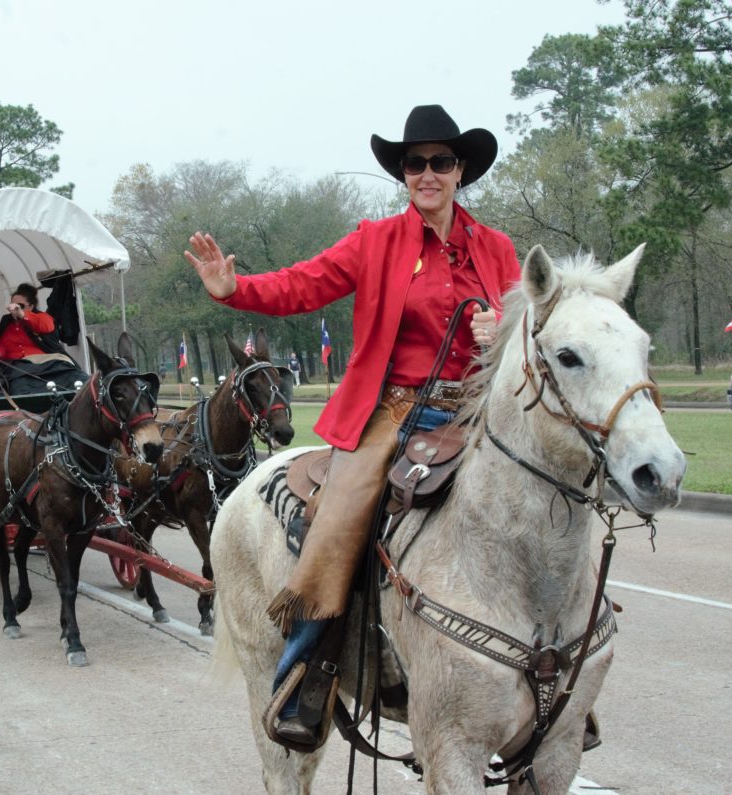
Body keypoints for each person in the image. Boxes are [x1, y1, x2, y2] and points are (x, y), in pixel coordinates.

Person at [184, 104, 520, 746]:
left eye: (440, 162)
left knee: (549, 495)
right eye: (415, 162)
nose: (427, 173)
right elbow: (299, 287)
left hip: (479, 405)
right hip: (394, 410)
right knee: (339, 520)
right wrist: (233, 290)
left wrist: (499, 326)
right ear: (403, 174)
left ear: (460, 170)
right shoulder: (376, 241)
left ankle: (559, 672)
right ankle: (304, 676)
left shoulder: (497, 248)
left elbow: (532, 319)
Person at [0, 283, 89, 393]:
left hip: (48, 363)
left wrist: (23, 315)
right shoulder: (5, 323)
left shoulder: (41, 317)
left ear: (31, 306)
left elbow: (46, 326)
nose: (14, 309)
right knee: (19, 388)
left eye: (20, 306)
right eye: (12, 306)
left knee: (79, 379)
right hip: (19, 368)